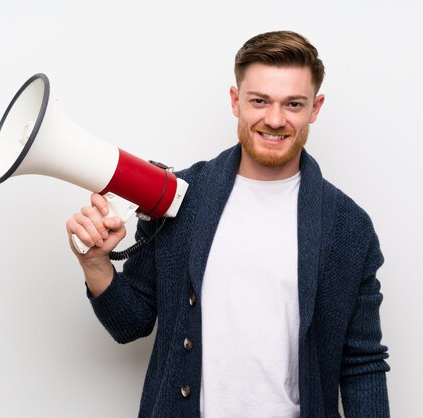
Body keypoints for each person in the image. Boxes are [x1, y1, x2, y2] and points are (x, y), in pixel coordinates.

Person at [66, 30, 390, 418]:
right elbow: (130, 324)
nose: (274, 119)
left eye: (293, 104)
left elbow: (363, 363)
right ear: (236, 101)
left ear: (314, 108)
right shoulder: (176, 197)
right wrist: (95, 263)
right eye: (259, 101)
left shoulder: (349, 228)